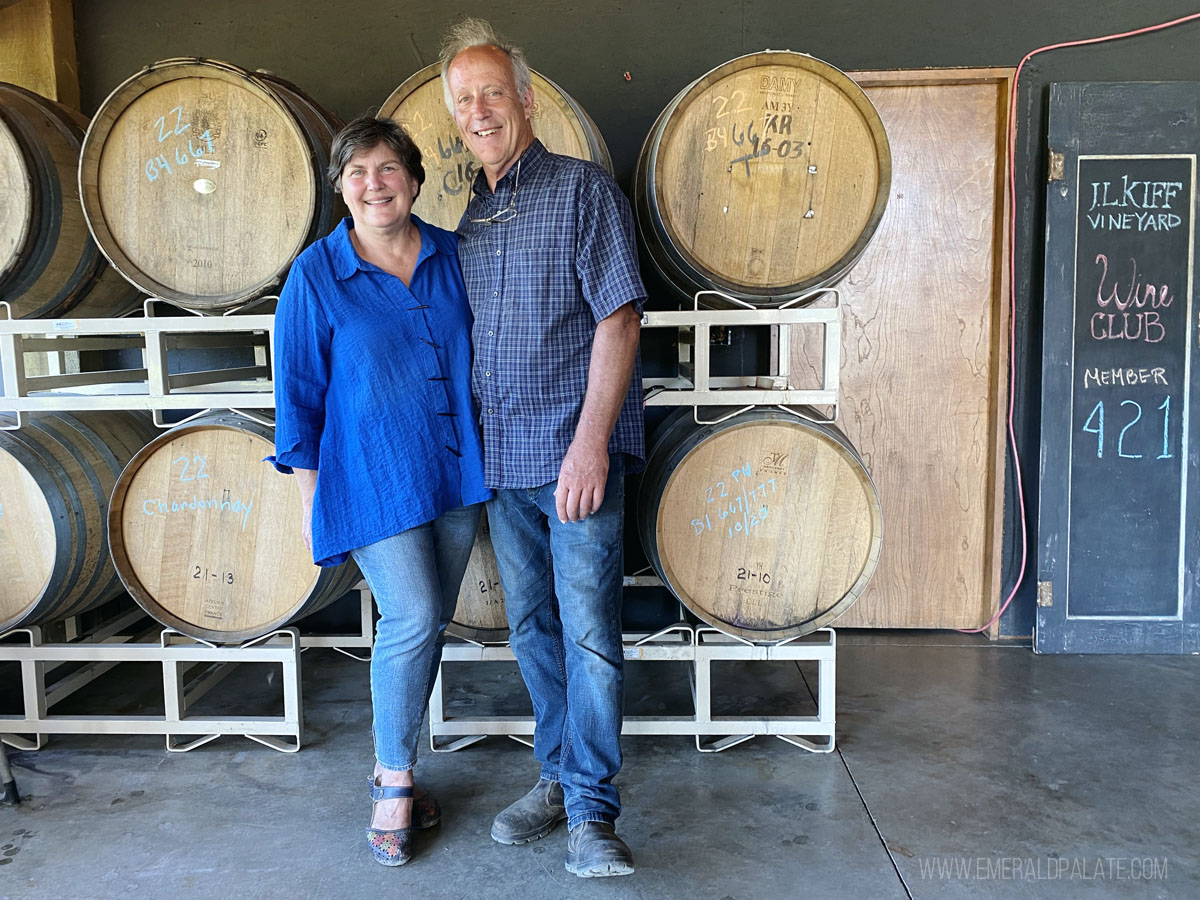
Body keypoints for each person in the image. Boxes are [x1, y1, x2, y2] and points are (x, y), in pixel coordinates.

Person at [440, 17, 645, 878]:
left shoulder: (582, 190)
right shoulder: (472, 215)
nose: (479, 109)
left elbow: (619, 317)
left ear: (526, 98)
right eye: (463, 99)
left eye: (493, 91)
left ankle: (594, 814)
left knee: (592, 633)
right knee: (532, 631)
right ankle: (557, 778)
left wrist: (591, 444)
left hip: (573, 462)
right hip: (505, 464)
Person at [270, 116, 490, 867]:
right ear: (340, 187)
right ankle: (393, 780)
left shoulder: (454, 256)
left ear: (415, 179)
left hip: (457, 468)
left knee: (426, 624)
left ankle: (396, 763)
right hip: (371, 474)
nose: (374, 184)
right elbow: (297, 395)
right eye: (357, 172)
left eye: (388, 168)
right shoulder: (316, 274)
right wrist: (309, 499)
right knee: (416, 612)